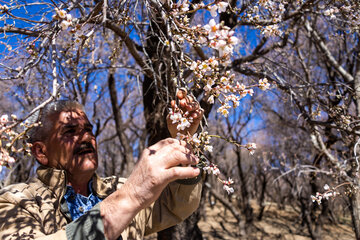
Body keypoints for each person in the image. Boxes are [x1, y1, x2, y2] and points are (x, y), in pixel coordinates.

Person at [0, 97, 204, 240]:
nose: (86, 137)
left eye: (88, 130)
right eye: (70, 131)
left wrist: (183, 140)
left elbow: (175, 205)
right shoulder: (14, 201)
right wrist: (130, 197)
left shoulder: (117, 188)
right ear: (41, 152)